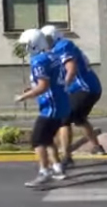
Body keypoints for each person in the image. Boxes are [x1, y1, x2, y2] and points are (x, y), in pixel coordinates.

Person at [40, 25, 105, 169]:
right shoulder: (54, 50)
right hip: (89, 87)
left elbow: (71, 68)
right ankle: (97, 146)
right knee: (79, 119)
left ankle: (67, 156)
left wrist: (64, 85)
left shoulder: (64, 45)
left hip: (84, 88)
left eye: (47, 39)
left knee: (64, 119)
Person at [14, 28, 70, 187]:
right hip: (61, 103)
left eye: (26, 45)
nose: (25, 48)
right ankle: (57, 167)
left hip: (51, 107)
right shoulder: (53, 56)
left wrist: (23, 97)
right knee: (47, 138)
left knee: (37, 140)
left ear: (34, 44)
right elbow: (47, 81)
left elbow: (43, 86)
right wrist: (32, 89)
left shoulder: (38, 60)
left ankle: (44, 172)